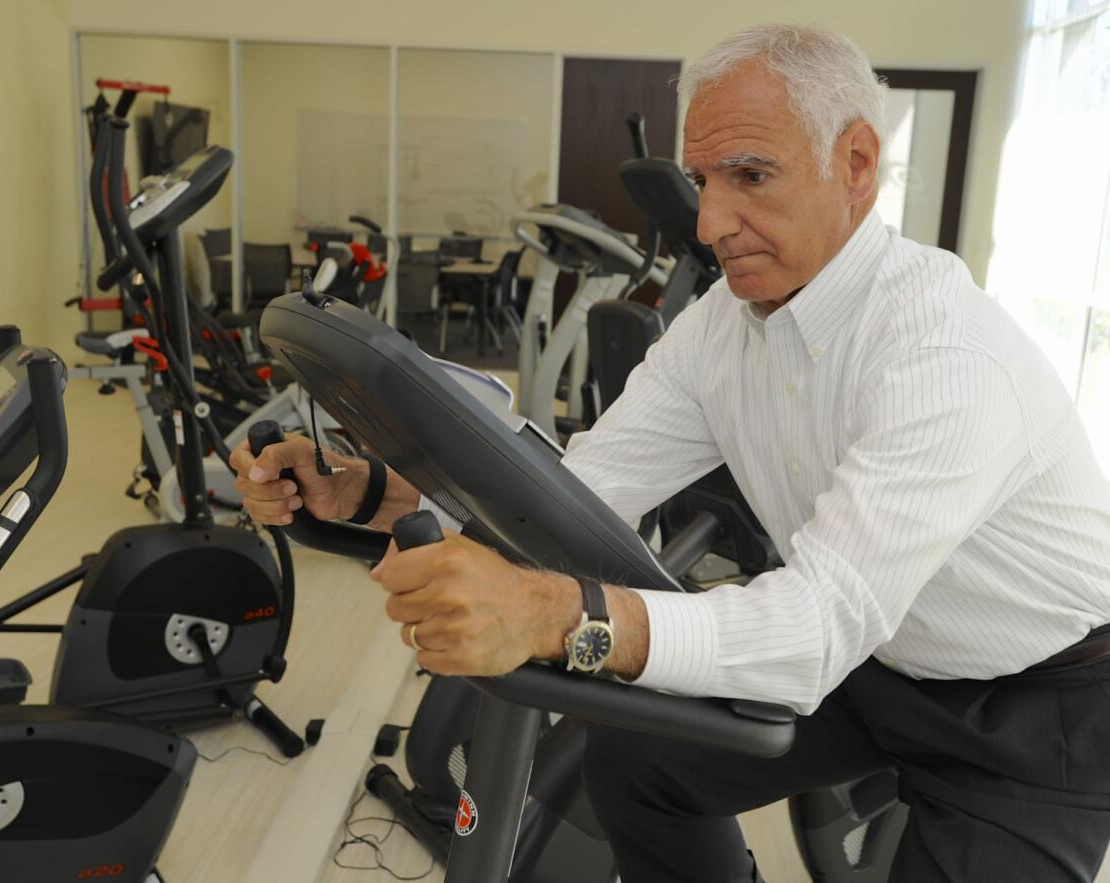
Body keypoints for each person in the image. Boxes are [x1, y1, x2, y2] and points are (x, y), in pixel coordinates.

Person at [232, 24, 1110, 883]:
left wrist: (551, 615)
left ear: (855, 164)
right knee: (634, 763)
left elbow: (810, 628)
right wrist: (365, 492)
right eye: (703, 180)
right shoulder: (721, 329)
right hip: (878, 658)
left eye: (750, 175)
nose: (713, 218)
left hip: (1040, 706)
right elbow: (569, 496)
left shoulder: (945, 355)